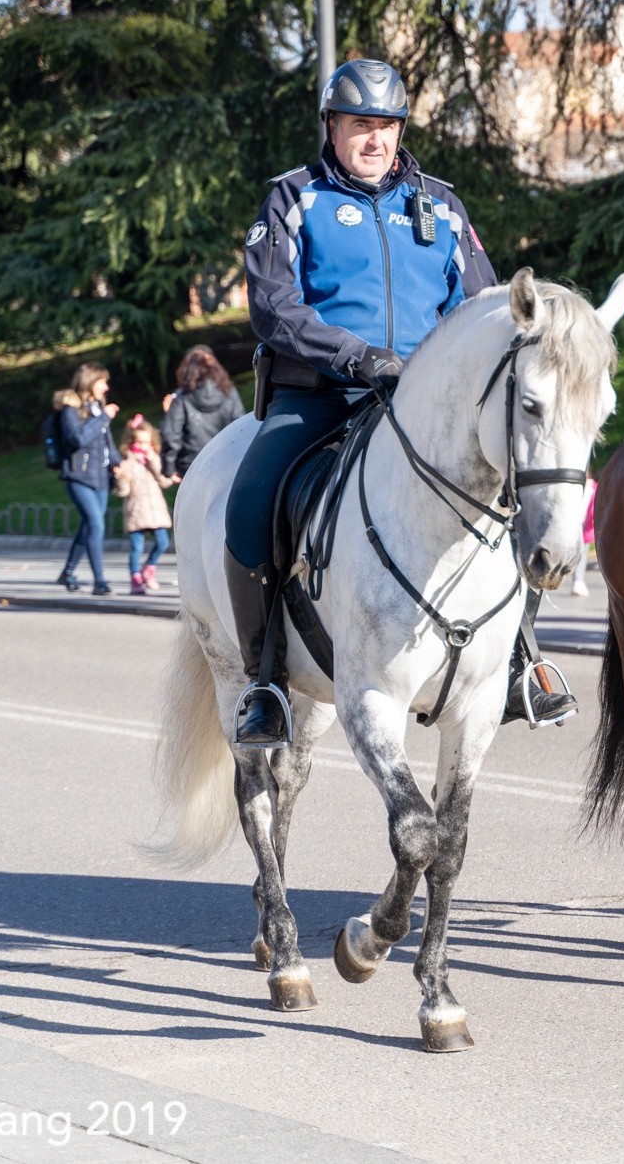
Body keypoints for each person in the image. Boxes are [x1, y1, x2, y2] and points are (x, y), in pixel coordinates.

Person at [228, 57, 532, 747]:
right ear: (331, 127)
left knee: (515, 491)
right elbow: (275, 309)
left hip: (424, 407)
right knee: (251, 505)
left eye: (386, 125)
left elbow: (484, 306)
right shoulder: (292, 196)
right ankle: (266, 679)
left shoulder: (442, 204)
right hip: (323, 394)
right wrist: (358, 357)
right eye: (360, 124)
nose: (374, 138)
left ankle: (520, 662)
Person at [54, 363, 120, 596]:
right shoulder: (70, 409)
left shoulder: (96, 407)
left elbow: (106, 443)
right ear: (90, 381)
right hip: (79, 476)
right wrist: (103, 417)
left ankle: (68, 572)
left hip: (100, 477)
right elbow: (78, 438)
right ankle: (100, 581)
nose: (106, 386)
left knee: (88, 527)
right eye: (102, 381)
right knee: (96, 525)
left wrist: (117, 463)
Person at [160, 345, 245, 483]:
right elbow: (240, 426)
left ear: (187, 370)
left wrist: (168, 469)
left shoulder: (182, 397)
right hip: (226, 460)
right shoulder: (229, 392)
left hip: (192, 465)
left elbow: (171, 435)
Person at [114, 414, 176, 594]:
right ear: (131, 442)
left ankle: (149, 569)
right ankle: (135, 579)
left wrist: (154, 462)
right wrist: (121, 478)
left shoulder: (154, 459)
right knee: (136, 547)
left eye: (146, 443)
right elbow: (123, 491)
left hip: (155, 509)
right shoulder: (128, 463)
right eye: (139, 443)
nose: (143, 447)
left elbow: (164, 481)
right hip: (136, 510)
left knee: (163, 542)